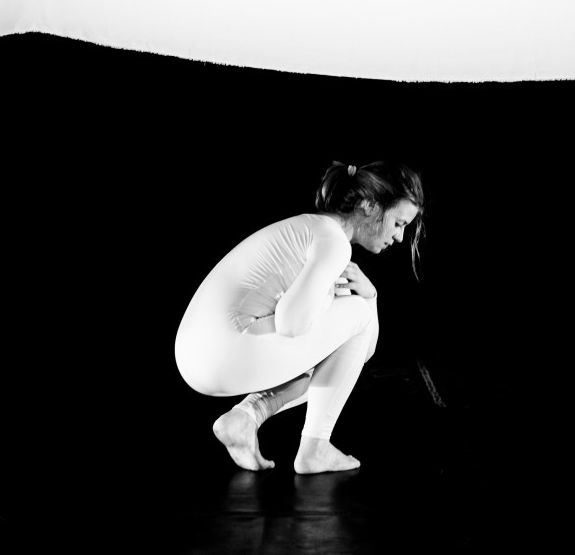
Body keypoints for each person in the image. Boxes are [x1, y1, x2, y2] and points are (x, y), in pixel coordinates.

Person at [174, 160, 425, 474]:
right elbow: (292, 324)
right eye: (399, 223)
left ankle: (245, 418)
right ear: (369, 205)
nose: (400, 237)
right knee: (355, 316)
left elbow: (354, 351)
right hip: (223, 354)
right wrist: (366, 300)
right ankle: (314, 448)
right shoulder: (333, 242)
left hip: (197, 358)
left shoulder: (312, 229)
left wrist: (353, 298)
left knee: (335, 346)